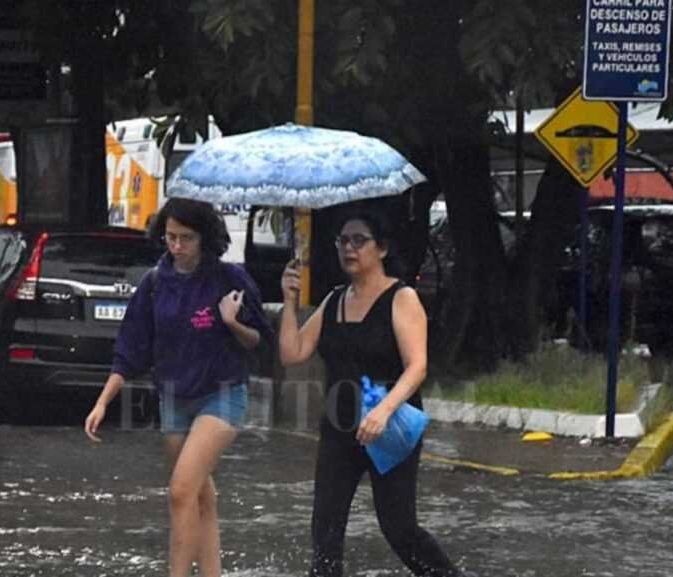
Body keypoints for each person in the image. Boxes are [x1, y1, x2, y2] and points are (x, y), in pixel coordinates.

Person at [85, 198, 274, 577]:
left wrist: (232, 322)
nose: (176, 246)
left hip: (222, 394)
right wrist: (103, 401)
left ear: (205, 239)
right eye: (170, 237)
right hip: (174, 399)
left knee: (179, 492)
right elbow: (131, 346)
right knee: (200, 497)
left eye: (186, 238)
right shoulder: (156, 283)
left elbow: (262, 341)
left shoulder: (229, 278)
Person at [279, 211, 461, 577]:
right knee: (325, 531)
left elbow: (417, 366)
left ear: (382, 248)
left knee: (399, 529)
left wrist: (383, 412)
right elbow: (292, 353)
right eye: (343, 241)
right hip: (339, 428)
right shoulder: (334, 300)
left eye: (359, 240)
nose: (349, 248)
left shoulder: (401, 297)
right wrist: (289, 301)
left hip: (390, 428)